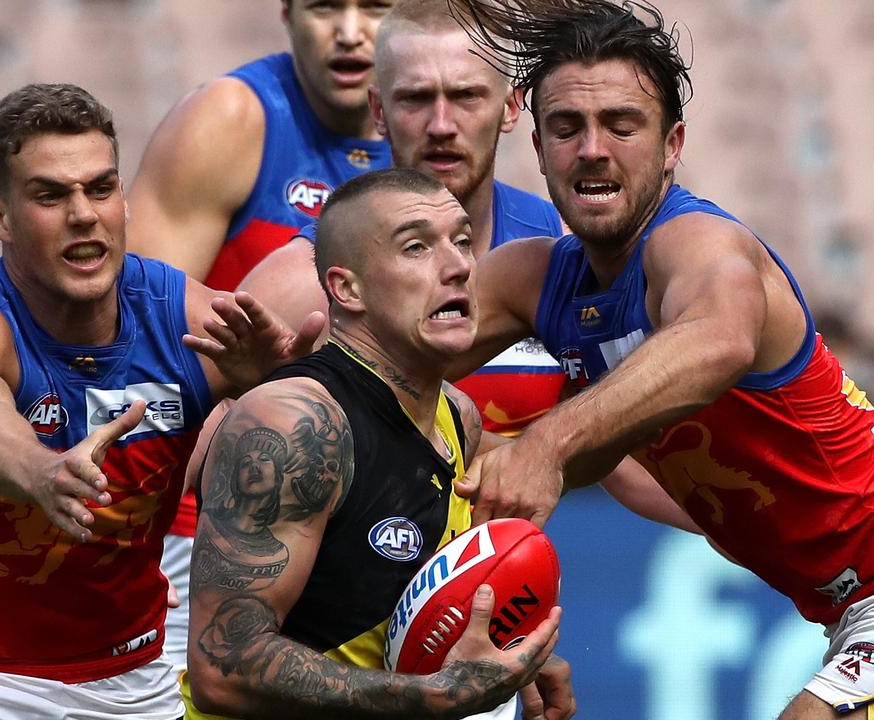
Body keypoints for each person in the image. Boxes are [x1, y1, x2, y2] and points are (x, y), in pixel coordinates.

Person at [436, 1, 874, 718]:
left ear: (672, 145)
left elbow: (717, 340)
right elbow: (392, 357)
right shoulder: (535, 278)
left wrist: (546, 443)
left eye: (622, 126)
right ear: (538, 150)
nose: (592, 149)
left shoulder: (697, 245)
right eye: (567, 129)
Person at [0, 83, 316, 720]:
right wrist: (43, 470)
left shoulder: (183, 315)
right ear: (1, 218)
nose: (83, 214)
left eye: (100, 189)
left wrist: (269, 390)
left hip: (133, 682)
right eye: (51, 195)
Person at [236, 0, 697, 532]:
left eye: (465, 96)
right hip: (346, 611)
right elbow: (211, 451)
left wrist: (766, 541)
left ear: (510, 106)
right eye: (415, 99)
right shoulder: (302, 281)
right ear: (379, 110)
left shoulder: (568, 259)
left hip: (499, 605)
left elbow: (629, 462)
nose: (441, 124)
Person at [183, 168, 573, 720]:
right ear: (347, 288)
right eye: (416, 247)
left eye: (463, 241)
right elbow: (222, 669)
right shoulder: (296, 422)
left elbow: (406, 609)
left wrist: (511, 659)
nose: (460, 265)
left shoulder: (457, 417)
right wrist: (434, 698)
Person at [127, 0, 395, 668]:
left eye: (378, 7)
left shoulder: (441, 131)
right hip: (214, 532)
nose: (350, 30)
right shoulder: (234, 119)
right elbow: (132, 338)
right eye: (326, 6)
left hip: (367, 538)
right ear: (286, 12)